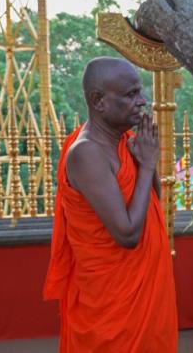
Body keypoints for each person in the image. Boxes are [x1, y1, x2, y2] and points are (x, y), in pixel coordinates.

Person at [43, 57, 178, 352]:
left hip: (146, 294)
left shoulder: (124, 140)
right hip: (112, 306)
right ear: (98, 101)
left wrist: (146, 162)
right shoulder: (87, 153)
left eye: (139, 92)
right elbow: (127, 234)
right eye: (130, 94)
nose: (142, 101)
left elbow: (153, 198)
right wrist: (146, 166)